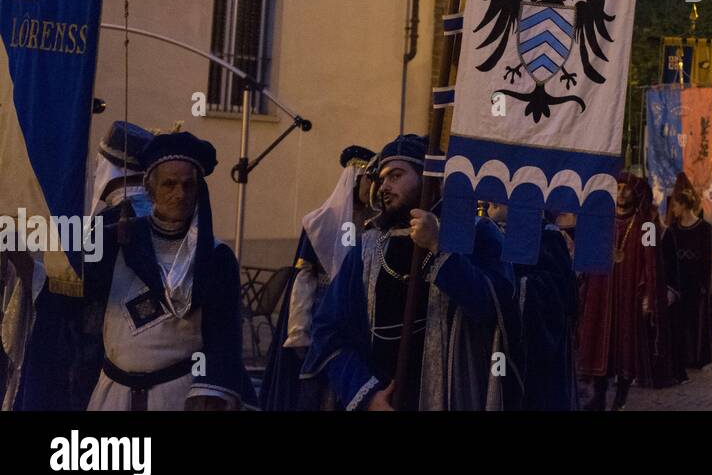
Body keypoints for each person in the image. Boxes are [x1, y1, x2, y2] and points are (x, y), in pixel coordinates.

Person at [301, 134, 524, 411]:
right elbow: (329, 330)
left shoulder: (477, 233)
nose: (384, 186)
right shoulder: (368, 246)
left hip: (453, 397)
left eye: (396, 176)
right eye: (382, 179)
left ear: (429, 179)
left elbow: (497, 310)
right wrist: (367, 396)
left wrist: (437, 247)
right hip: (383, 398)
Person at [84, 130, 253, 410]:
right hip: (113, 397)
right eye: (169, 184)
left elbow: (225, 337)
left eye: (188, 185)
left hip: (178, 397)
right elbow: (77, 292)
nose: (179, 194)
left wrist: (209, 392)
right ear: (151, 189)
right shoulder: (118, 238)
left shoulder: (216, 256)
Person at [10, 120, 156, 411]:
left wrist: (21, 259)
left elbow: (68, 294)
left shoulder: (110, 222)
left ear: (110, 168)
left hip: (104, 364)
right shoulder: (161, 218)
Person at [261, 144, 375, 410]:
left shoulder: (377, 223)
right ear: (356, 178)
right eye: (369, 178)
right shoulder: (321, 222)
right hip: (321, 311)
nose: (373, 186)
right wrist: (299, 331)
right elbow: (304, 277)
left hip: (359, 313)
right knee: (316, 385)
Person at [575, 172, 675, 409]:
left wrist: (650, 295)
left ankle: (620, 398)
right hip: (601, 289)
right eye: (617, 187)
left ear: (635, 192)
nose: (621, 192)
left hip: (629, 292)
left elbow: (653, 264)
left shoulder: (647, 226)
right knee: (600, 341)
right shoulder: (602, 221)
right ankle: (598, 396)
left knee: (626, 345)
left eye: (626, 188)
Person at [488, 202, 578, 411]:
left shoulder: (547, 237)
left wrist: (515, 287)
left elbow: (564, 300)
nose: (489, 198)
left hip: (533, 357)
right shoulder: (483, 231)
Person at [662, 175, 712, 371]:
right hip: (678, 281)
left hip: (695, 282)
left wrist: (705, 287)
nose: (672, 210)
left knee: (695, 321)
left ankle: (696, 357)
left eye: (675, 205)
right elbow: (666, 258)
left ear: (683, 205)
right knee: (679, 321)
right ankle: (682, 355)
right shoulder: (673, 230)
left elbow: (707, 261)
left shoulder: (704, 228)